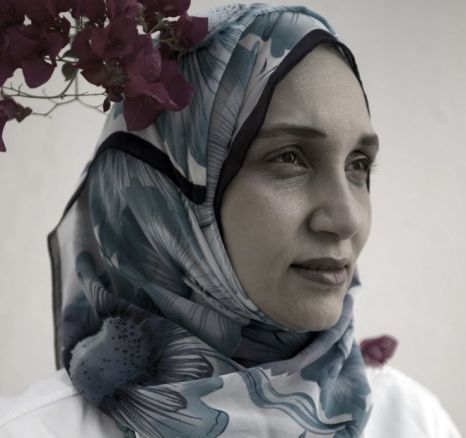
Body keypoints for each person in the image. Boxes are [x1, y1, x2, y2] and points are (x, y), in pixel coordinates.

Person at [0, 3, 462, 438]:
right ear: (165, 192)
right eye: (289, 157)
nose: (346, 219)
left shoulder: (409, 422)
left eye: (358, 165)